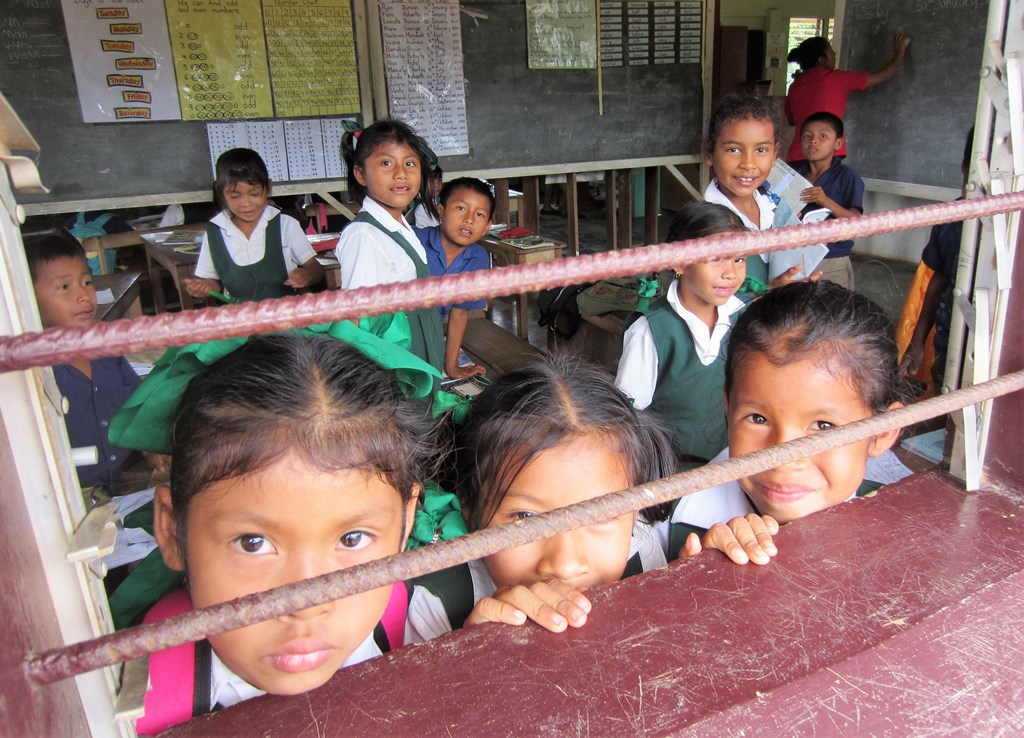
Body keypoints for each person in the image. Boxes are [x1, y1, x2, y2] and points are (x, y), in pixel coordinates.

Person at [138, 333, 437, 734]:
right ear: (172, 531)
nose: (307, 603)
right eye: (253, 543)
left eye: (352, 539)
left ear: (404, 524)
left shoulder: (410, 620)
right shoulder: (137, 701)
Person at [407, 356, 777, 643]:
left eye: (601, 515)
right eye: (525, 517)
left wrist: (705, 586)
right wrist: (467, 661)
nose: (566, 564)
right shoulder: (437, 601)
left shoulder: (650, 558)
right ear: (470, 508)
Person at [664, 280, 912, 551]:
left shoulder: (902, 531)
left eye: (823, 425)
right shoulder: (667, 525)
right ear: (729, 409)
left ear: (883, 432)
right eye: (758, 418)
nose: (783, 459)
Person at [24, 230, 166, 496]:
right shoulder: (29, 370)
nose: (83, 296)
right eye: (64, 287)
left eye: (87, 282)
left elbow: (135, 405)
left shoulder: (103, 347)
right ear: (24, 296)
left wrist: (146, 447)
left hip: (121, 487)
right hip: (67, 499)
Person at [615, 202, 748, 466]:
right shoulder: (651, 331)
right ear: (679, 262)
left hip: (727, 460)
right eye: (715, 258)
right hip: (669, 467)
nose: (731, 273)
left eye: (739, 259)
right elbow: (627, 418)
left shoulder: (741, 317)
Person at [335, 119, 445, 372]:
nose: (401, 173)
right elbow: (359, 321)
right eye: (386, 163)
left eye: (409, 163)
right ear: (361, 174)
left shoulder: (400, 225)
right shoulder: (365, 235)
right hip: (397, 362)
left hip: (419, 351)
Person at [702, 94, 813, 291]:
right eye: (734, 150)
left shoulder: (772, 205)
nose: (748, 164)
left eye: (761, 150)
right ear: (709, 153)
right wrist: (770, 289)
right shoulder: (704, 226)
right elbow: (707, 300)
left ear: (775, 154)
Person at [186, 148, 323, 303]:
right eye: (235, 196)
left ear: (268, 187)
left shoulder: (285, 225)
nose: (246, 203)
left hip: (286, 318)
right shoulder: (216, 231)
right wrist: (204, 287)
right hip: (240, 321)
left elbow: (315, 268)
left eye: (254, 194)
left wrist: (307, 275)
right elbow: (215, 282)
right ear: (221, 193)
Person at [899, 128, 974, 391]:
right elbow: (940, 277)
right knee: (948, 401)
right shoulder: (952, 218)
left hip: (996, 352)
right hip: (950, 345)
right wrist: (917, 341)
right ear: (964, 169)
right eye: (971, 182)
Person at [784, 32, 909, 163]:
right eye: (830, 50)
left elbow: (791, 120)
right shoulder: (836, 78)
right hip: (826, 156)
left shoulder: (795, 85)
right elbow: (882, 76)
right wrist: (900, 52)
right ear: (822, 60)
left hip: (798, 156)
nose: (835, 54)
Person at [414, 176, 493, 379]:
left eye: (479, 214)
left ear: (486, 227)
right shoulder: (414, 241)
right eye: (460, 208)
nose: (469, 219)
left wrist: (451, 367)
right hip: (393, 333)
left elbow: (459, 313)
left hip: (430, 336)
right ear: (440, 211)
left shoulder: (478, 259)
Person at [793, 112, 865, 290]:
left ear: (838, 144)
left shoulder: (847, 176)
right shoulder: (792, 172)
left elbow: (857, 223)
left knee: (832, 313)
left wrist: (825, 201)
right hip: (794, 256)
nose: (813, 141)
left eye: (823, 136)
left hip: (832, 259)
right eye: (807, 136)